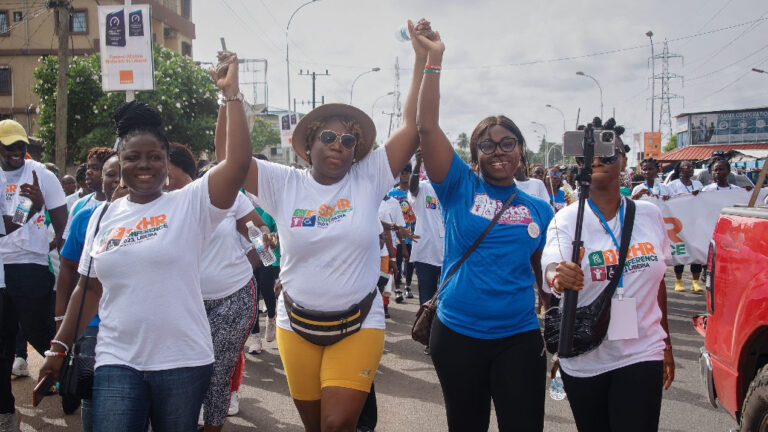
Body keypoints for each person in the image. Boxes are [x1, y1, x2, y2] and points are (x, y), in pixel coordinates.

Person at [220, 19, 428, 432]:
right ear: (310, 143)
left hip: (359, 324)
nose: (338, 145)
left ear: (357, 151)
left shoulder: (368, 178)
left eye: (349, 141)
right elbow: (233, 161)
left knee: (337, 425)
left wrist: (422, 60)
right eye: (329, 136)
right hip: (295, 325)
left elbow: (412, 128)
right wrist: (230, 96)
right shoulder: (284, 184)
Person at [38, 51, 252, 431]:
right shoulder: (102, 216)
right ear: (120, 161)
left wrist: (230, 96)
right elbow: (88, 290)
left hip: (182, 362)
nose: (144, 165)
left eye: (154, 157)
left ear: (166, 160)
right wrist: (59, 346)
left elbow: (236, 164)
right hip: (116, 358)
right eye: (133, 157)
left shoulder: (190, 205)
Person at [415, 29, 553, 431]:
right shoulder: (459, 185)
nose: (498, 152)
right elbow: (426, 128)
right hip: (457, 333)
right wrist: (434, 60)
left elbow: (544, 273)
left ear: (521, 150)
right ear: (474, 154)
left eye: (508, 143)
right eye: (487, 145)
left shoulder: (540, 209)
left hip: (519, 335)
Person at [542, 118, 675, 432]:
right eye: (590, 155)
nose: (599, 160)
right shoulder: (566, 220)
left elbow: (658, 284)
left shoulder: (650, 214)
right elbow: (551, 268)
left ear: (625, 160)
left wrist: (666, 344)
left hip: (643, 351)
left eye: (608, 152)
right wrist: (560, 277)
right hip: (587, 357)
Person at [165, 142, 259, 431]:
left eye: (163, 165)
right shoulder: (155, 203)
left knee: (217, 373)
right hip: (182, 303)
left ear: (184, 169)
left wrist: (260, 265)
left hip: (233, 298)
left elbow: (258, 236)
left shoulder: (222, 195)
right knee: (182, 371)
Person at [0, 119, 68, 428]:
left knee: (40, 335)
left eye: (21, 145)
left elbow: (63, 224)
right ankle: (4, 410)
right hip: (1, 270)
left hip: (30, 266)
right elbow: (8, 226)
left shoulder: (43, 175)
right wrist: (29, 205)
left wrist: (70, 268)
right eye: (9, 146)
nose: (16, 151)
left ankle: (71, 383)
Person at [56, 153, 125, 431]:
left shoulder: (158, 217)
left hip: (133, 324)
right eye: (110, 174)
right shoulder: (86, 216)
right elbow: (68, 270)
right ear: (101, 179)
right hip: (92, 322)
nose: (117, 181)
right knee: (91, 388)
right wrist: (61, 321)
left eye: (122, 173)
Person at [245, 154, 281, 356]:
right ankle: (255, 339)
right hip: (247, 257)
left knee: (266, 289)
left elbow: (280, 233)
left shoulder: (272, 196)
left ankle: (272, 316)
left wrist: (266, 242)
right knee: (252, 295)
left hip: (270, 255)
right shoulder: (240, 194)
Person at [667, 160, 704, 293]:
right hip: (679, 224)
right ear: (680, 170)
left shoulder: (698, 184)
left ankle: (695, 282)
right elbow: (667, 201)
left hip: (695, 223)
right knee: (681, 251)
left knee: (696, 252)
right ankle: (679, 280)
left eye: (691, 167)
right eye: (686, 167)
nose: (689, 169)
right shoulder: (672, 185)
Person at [64, 147, 114, 240]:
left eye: (95, 168)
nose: (88, 172)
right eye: (88, 167)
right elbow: (67, 246)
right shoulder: (79, 205)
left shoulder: (122, 203)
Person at [388, 163, 418, 301]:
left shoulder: (415, 192)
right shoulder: (391, 193)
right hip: (397, 235)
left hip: (413, 233)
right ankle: (398, 288)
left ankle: (408, 286)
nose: (404, 174)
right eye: (402, 171)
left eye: (407, 171)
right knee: (397, 261)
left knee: (411, 262)